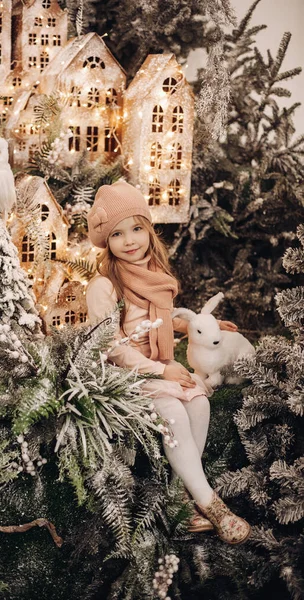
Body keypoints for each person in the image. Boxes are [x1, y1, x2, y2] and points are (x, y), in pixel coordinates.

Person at [86, 180, 251, 544]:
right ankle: (212, 504)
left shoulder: (156, 275)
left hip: (160, 366)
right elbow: (111, 346)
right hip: (124, 375)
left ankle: (180, 497)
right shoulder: (105, 285)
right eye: (117, 234)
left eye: (137, 228)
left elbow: (165, 320)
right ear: (105, 241)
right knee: (174, 412)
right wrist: (164, 369)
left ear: (148, 229)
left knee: (200, 403)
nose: (130, 240)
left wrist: (199, 325)